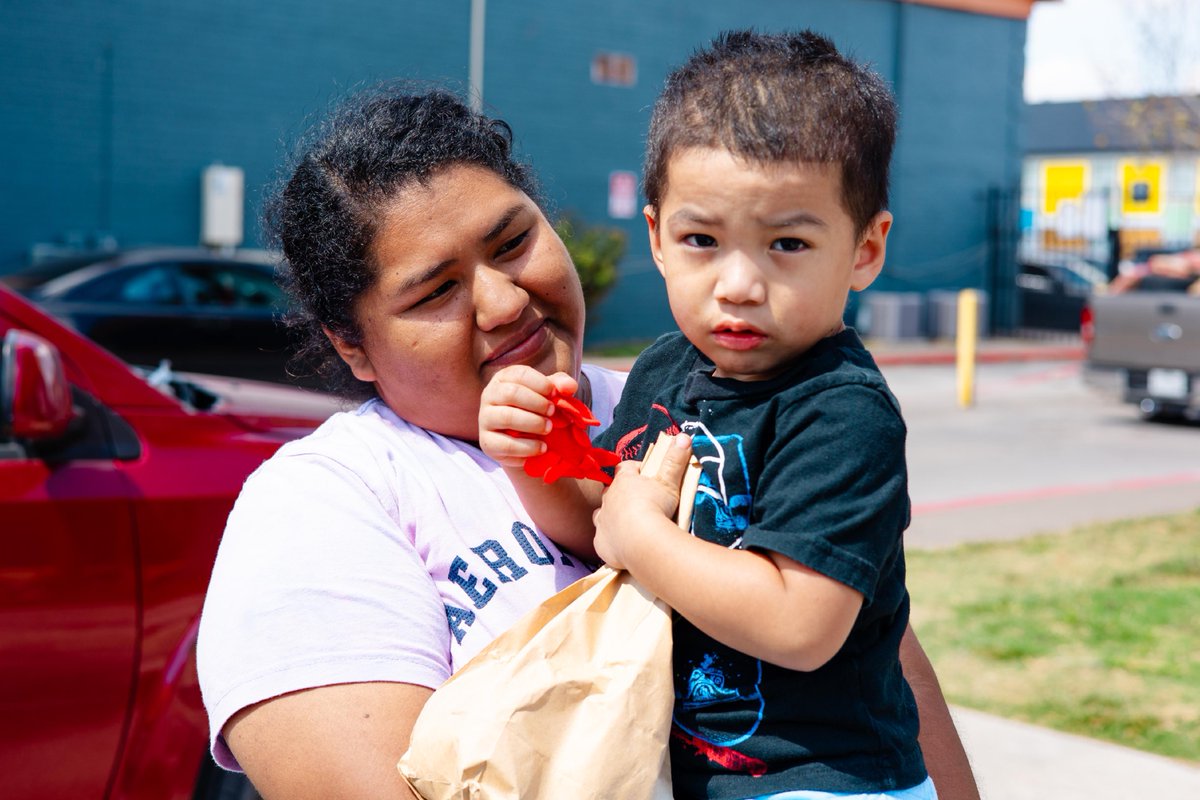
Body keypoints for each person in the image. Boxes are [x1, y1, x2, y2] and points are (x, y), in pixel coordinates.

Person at [196, 84, 979, 800]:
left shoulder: (692, 392)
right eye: (436, 291)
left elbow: (874, 658)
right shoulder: (319, 505)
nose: (504, 301)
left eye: (512, 243)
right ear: (352, 346)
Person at [479, 30, 932, 799]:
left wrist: (644, 538)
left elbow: (801, 623)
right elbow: (603, 520)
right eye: (702, 240)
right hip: (689, 768)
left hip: (826, 778)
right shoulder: (665, 368)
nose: (739, 284)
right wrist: (533, 457)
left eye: (787, 242)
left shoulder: (841, 412)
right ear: (656, 236)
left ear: (865, 247)